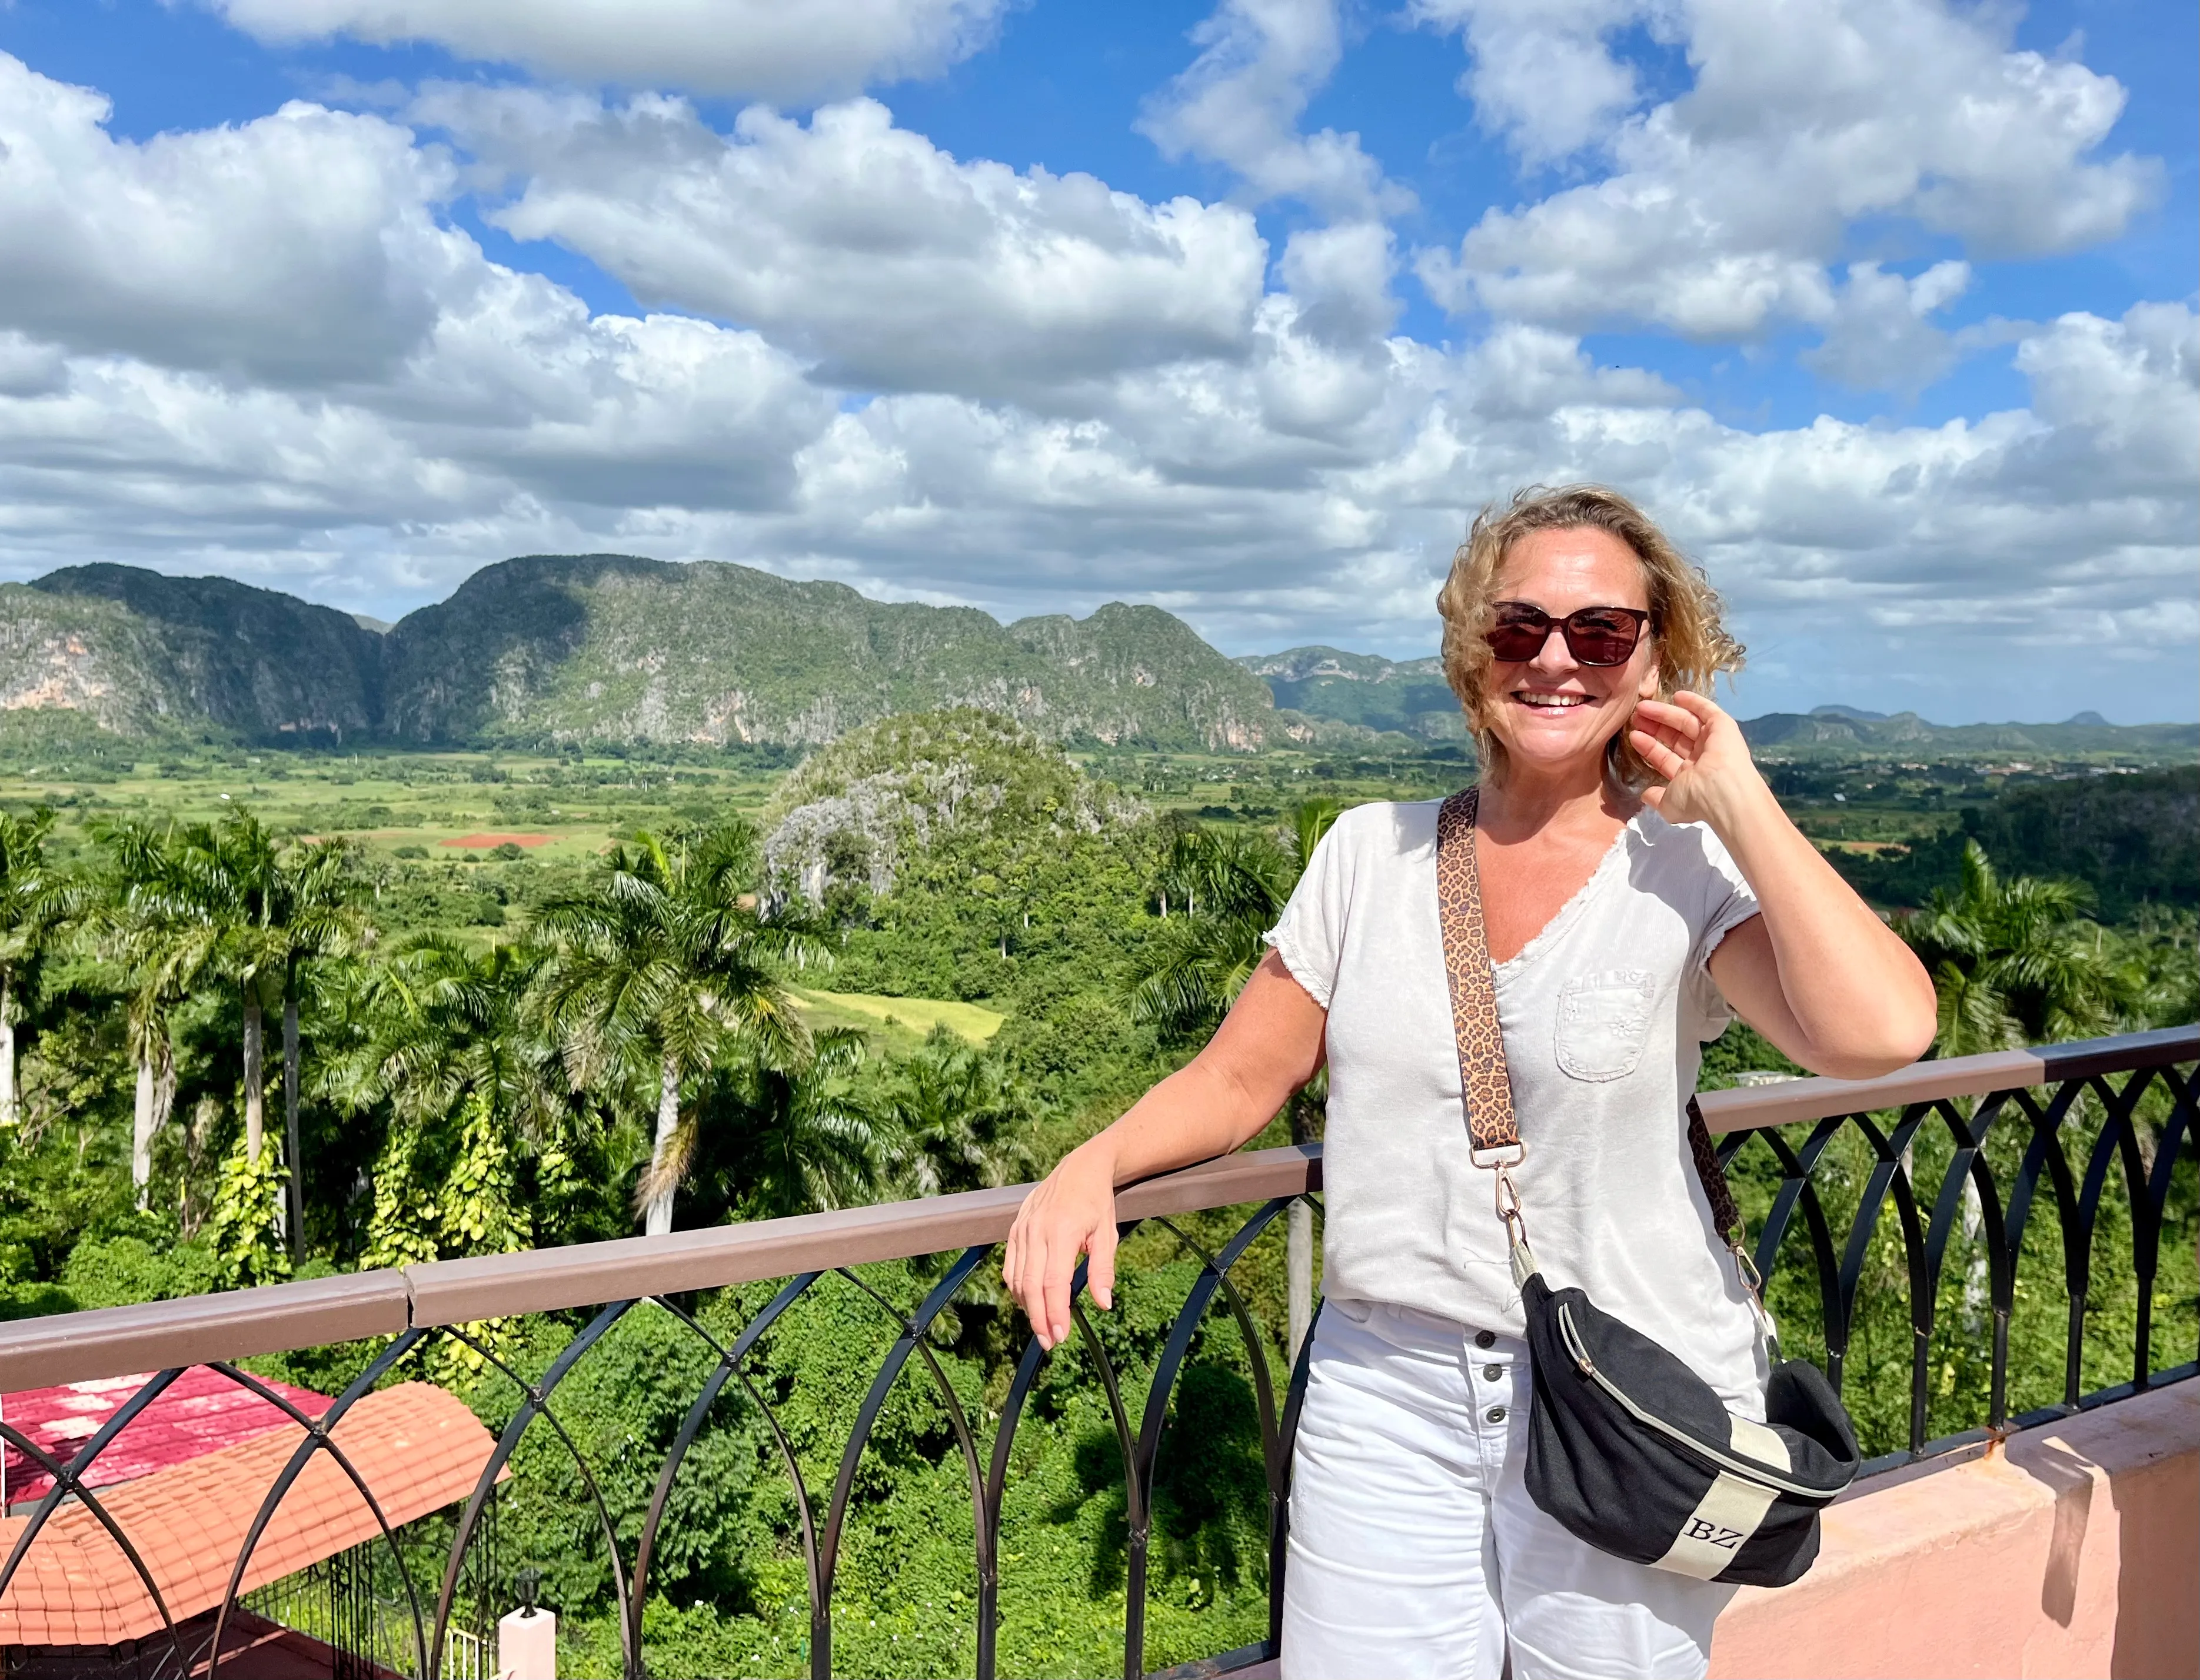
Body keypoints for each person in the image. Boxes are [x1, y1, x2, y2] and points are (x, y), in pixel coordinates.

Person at [1002, 484, 1938, 1679]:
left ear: (1656, 659)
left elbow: (1882, 1031)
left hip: (1623, 1398)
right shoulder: (1366, 853)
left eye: (1601, 632)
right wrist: (1095, 1163)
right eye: (1518, 627)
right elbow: (1241, 1074)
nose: (1555, 658)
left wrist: (1737, 798)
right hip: (1387, 1391)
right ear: (1469, 650)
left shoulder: (1684, 870)